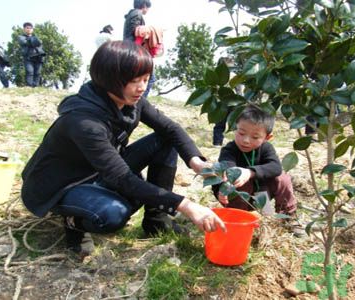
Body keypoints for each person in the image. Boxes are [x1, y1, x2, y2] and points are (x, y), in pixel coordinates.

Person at [21, 40, 225, 255]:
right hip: (63, 183)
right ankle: (74, 222)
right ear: (110, 79)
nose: (142, 87)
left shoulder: (131, 101)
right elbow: (122, 178)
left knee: (163, 143)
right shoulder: (84, 122)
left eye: (146, 79)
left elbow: (170, 129)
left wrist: (196, 161)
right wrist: (186, 205)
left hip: (99, 169)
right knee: (113, 214)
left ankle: (156, 220)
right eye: (134, 81)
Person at [212, 105, 297, 215]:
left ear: (267, 138)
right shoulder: (230, 149)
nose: (246, 140)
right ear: (235, 128)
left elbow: (276, 167)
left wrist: (250, 172)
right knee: (238, 179)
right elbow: (227, 167)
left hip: (261, 193)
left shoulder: (266, 148)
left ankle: (288, 215)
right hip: (235, 198)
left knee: (283, 178)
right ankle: (239, 217)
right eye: (241, 133)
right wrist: (227, 184)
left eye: (255, 137)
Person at [123, 0, 155, 99]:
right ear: (144, 5)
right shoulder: (137, 14)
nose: (148, 10)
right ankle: (139, 103)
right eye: (148, 7)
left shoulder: (132, 14)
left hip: (130, 49)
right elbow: (136, 32)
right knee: (150, 78)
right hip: (134, 51)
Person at [18, 22, 46, 87]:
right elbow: (25, 42)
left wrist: (33, 41)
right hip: (28, 57)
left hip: (38, 57)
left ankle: (36, 86)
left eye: (30, 28)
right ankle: (29, 86)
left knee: (38, 73)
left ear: (32, 29)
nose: (29, 29)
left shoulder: (36, 37)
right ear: (24, 29)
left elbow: (40, 44)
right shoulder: (21, 37)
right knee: (29, 72)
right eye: (27, 28)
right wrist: (33, 42)